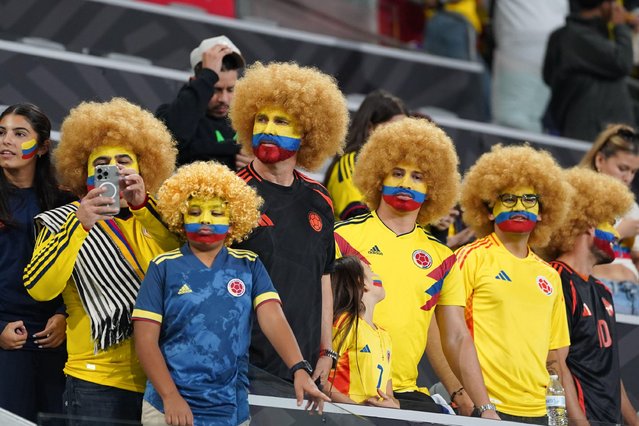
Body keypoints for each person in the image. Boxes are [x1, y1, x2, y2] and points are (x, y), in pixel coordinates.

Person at [132, 161, 328, 426]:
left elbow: (273, 317)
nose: (205, 219)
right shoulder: (163, 267)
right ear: (180, 215)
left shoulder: (249, 264)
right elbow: (145, 340)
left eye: (216, 212)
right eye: (195, 211)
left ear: (234, 217)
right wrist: (170, 396)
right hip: (167, 408)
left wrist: (299, 368)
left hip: (230, 410)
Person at [23, 98, 180, 423]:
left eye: (125, 160)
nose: (116, 168)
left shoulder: (159, 221)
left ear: (143, 167)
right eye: (104, 162)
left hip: (165, 381)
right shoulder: (60, 221)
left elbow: (186, 267)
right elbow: (40, 288)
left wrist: (143, 208)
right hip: (95, 381)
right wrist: (78, 226)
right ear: (86, 173)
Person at [333, 117, 498, 418]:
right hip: (346, 389)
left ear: (434, 187)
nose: (406, 183)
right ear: (378, 176)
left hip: (406, 395)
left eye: (418, 176)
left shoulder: (442, 256)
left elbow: (457, 337)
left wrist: (483, 405)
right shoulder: (342, 236)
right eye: (397, 173)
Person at [228, 62, 349, 384]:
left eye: (281, 121)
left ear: (307, 133)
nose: (267, 129)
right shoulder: (230, 191)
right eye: (261, 119)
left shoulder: (320, 199)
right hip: (243, 364)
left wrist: (326, 351)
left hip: (304, 368)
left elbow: (324, 279)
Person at [455, 144, 571, 422]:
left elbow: (555, 358)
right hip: (488, 409)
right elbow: (446, 333)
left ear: (543, 212)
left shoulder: (550, 275)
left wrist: (559, 414)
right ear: (490, 210)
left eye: (530, 199)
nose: (520, 206)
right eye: (508, 199)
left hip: (540, 412)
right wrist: (468, 397)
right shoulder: (469, 257)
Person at [543, 167, 639, 424]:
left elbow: (611, 373)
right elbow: (556, 367)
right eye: (610, 223)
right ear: (587, 223)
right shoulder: (555, 279)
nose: (617, 235)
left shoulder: (603, 291)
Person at [0, 104, 73, 421]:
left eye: (19, 134)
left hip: (53, 340)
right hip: (6, 341)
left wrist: (64, 316)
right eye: (1, 133)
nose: (6, 141)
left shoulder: (64, 201)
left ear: (43, 147)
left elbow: (81, 269)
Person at [156, 35, 251, 170]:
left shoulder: (250, 123)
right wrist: (209, 75)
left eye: (231, 89)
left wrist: (259, 167)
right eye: (215, 89)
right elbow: (173, 143)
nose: (223, 99)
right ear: (197, 83)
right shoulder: (170, 115)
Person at [543, 0, 634, 140]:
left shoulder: (566, 35)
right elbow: (623, 62)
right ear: (604, 4)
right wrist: (621, 27)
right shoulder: (576, 36)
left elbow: (547, 76)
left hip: (605, 133)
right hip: (590, 132)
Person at [579, 124, 639, 314]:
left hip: (634, 293)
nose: (628, 178)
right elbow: (574, 252)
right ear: (600, 159)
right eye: (623, 168)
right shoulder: (579, 197)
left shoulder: (633, 207)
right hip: (597, 291)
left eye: (633, 172)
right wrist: (621, 232)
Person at [325, 255, 398, 408]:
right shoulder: (343, 323)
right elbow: (320, 379)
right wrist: (356, 409)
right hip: (342, 417)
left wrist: (393, 405)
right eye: (370, 271)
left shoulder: (385, 335)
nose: (376, 274)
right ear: (361, 282)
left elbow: (389, 393)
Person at [324, 90, 407, 220]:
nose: (401, 136)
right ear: (370, 128)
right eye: (393, 129)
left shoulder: (402, 169)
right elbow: (357, 216)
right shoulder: (351, 162)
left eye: (405, 129)